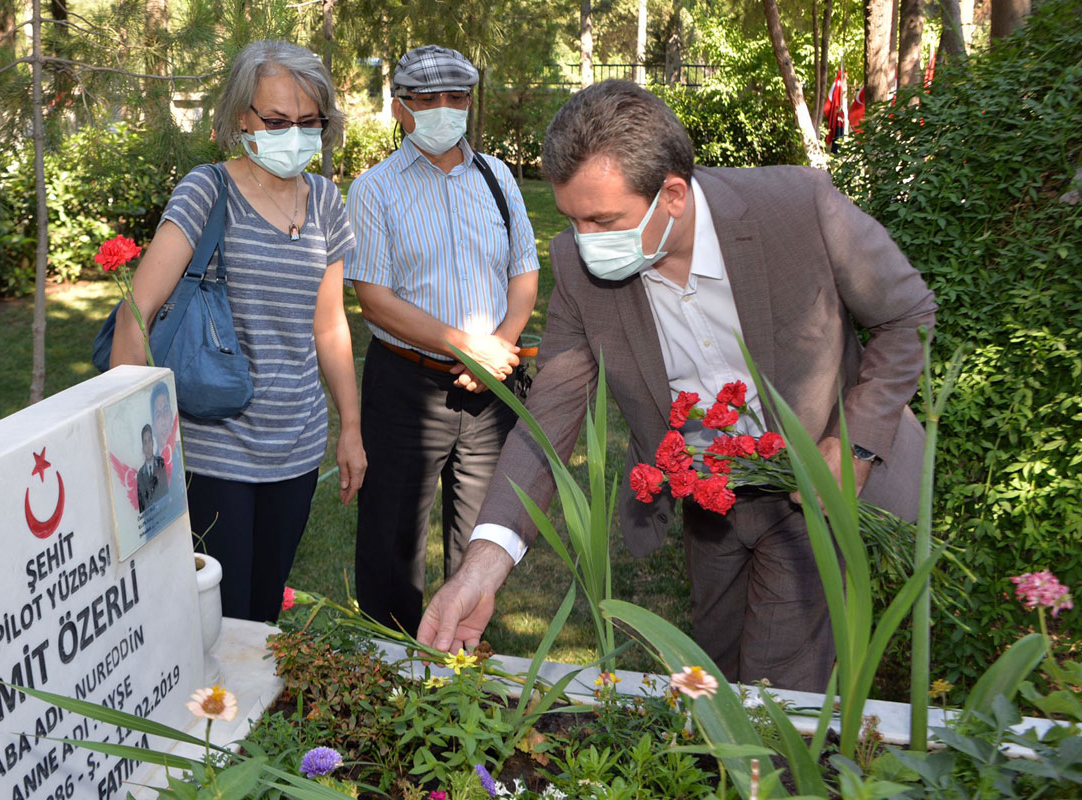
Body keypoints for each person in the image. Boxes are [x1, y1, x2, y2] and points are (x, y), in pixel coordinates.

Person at [418, 80, 936, 692]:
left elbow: (907, 316)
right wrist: (483, 564)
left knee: (776, 694)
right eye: (573, 219)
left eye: (602, 220)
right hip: (709, 505)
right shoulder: (581, 267)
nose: (584, 242)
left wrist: (854, 448)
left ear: (672, 195)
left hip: (812, 495)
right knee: (713, 678)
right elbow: (550, 414)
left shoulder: (797, 208)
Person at [110, 40, 366, 623]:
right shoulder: (208, 189)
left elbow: (329, 324)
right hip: (213, 448)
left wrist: (350, 428)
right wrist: (137, 452)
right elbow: (136, 314)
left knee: (264, 610)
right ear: (240, 118)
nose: (293, 134)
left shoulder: (326, 199)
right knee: (218, 621)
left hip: (297, 447)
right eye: (276, 120)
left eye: (309, 122)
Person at [345, 45, 540, 634]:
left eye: (456, 98)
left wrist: (498, 348)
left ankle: (461, 674)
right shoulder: (375, 189)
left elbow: (524, 273)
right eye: (427, 99)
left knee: (482, 540)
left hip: (491, 384)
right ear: (400, 107)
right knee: (391, 540)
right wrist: (466, 347)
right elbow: (374, 299)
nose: (443, 110)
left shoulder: (498, 177)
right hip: (406, 387)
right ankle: (389, 669)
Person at [136, 424, 168, 512]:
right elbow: (142, 507)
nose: (148, 446)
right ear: (142, 447)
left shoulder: (161, 463)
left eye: (150, 440)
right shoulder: (140, 475)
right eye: (145, 442)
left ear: (153, 443)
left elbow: (165, 492)